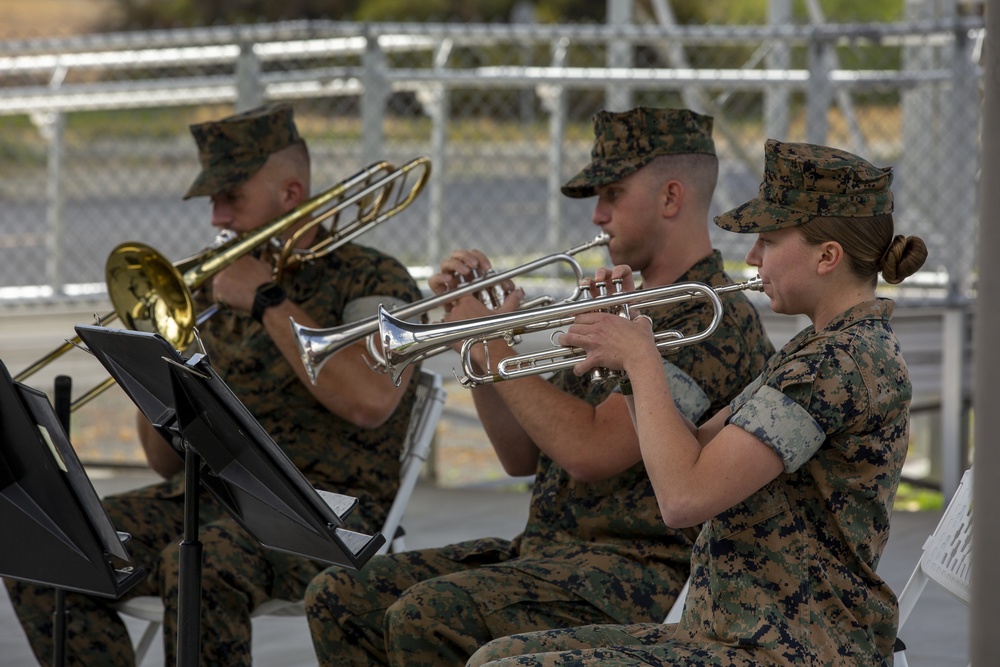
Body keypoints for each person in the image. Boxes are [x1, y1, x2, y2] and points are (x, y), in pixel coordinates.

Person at [304, 106, 776, 667]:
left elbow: (590, 452)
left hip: (640, 574)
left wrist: (487, 341)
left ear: (671, 198)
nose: (597, 215)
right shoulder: (619, 301)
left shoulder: (704, 315)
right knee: (341, 596)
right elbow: (519, 454)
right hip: (551, 557)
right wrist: (477, 340)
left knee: (427, 615)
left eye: (613, 195)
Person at [468, 139, 929, 667]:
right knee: (495, 658)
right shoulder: (819, 348)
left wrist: (642, 362)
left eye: (769, 240)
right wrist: (630, 357)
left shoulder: (838, 364)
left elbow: (682, 499)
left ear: (828, 256)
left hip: (793, 646)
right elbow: (693, 449)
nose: (753, 258)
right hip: (737, 631)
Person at [4, 103, 423, 666]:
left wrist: (268, 301)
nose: (216, 219)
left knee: (197, 561)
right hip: (207, 499)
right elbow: (165, 463)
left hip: (329, 511)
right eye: (212, 200)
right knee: (52, 538)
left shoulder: (374, 278)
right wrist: (154, 357)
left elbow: (371, 402)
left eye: (231, 198)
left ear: (290, 193)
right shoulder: (212, 295)